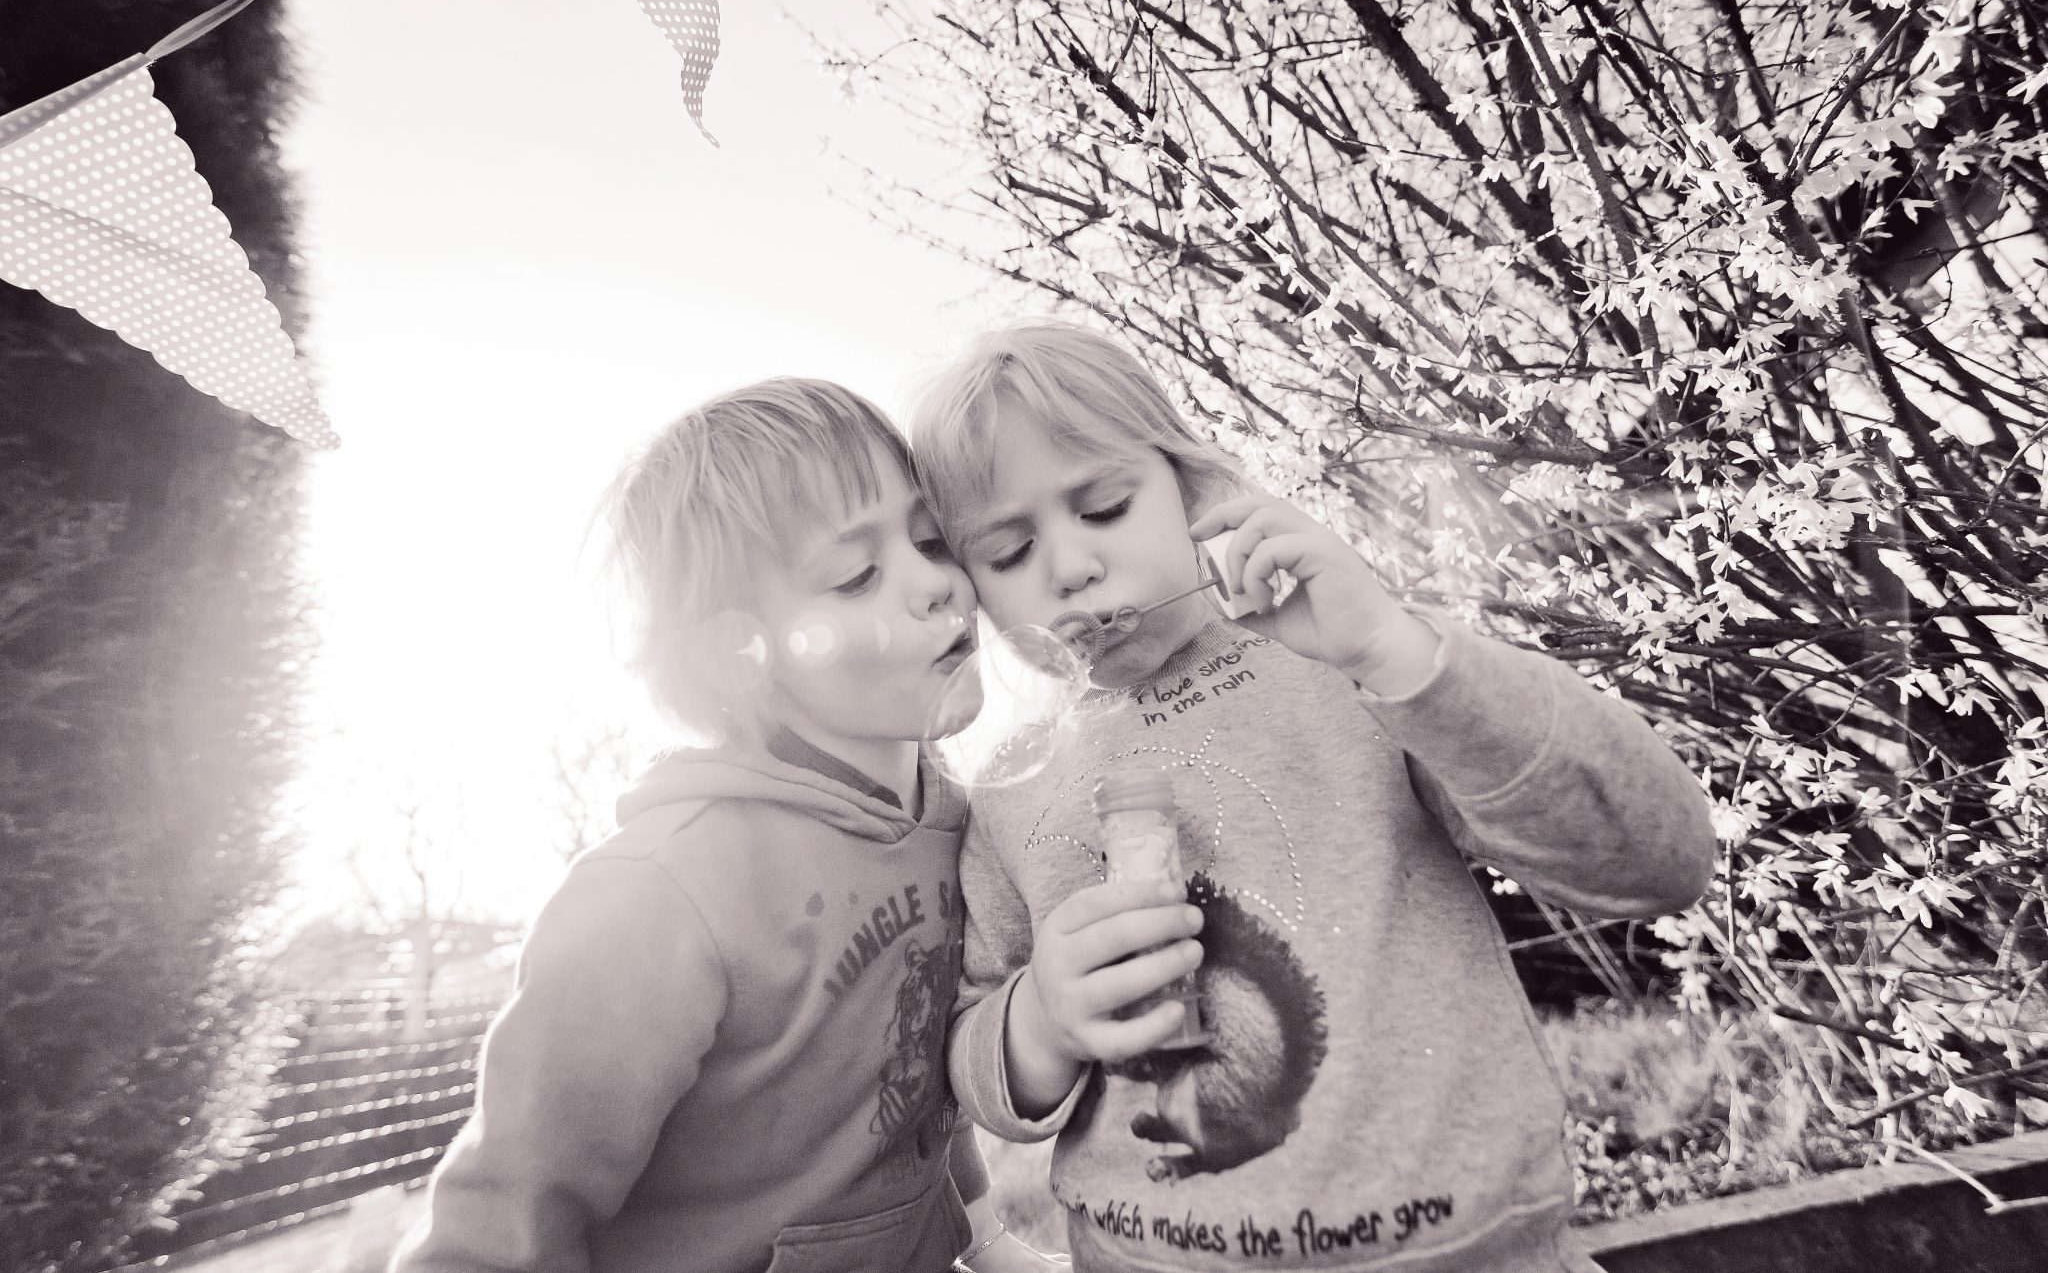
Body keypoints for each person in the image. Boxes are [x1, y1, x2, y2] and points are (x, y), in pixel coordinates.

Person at [909, 322, 1717, 1272]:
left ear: (1196, 493)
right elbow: (966, 1054)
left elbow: (1659, 857)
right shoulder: (1011, 786)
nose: (1072, 567)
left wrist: (1395, 653)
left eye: (1106, 506)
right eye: (1008, 553)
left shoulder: (1350, 667)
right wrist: (1039, 1020)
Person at [392, 379, 1062, 1273]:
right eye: (855, 574)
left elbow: (904, 1092)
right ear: (734, 653)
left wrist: (986, 1241)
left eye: (930, 536)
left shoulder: (948, 820)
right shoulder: (659, 894)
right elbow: (501, 1219)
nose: (936, 581)